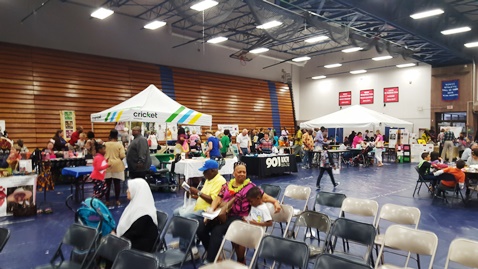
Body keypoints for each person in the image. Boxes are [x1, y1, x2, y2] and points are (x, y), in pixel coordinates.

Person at [197, 162, 281, 264]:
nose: (242, 174)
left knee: (217, 230)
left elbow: (265, 197)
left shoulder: (250, 187)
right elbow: (218, 199)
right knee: (201, 227)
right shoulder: (227, 185)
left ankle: (210, 260)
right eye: (239, 172)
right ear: (233, 173)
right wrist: (211, 211)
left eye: (244, 172)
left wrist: (275, 202)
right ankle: (216, 257)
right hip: (223, 214)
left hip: (239, 217)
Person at [173, 159, 226, 252]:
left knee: (185, 217)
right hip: (198, 206)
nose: (203, 173)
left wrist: (197, 192)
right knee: (176, 212)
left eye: (205, 171)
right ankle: (184, 241)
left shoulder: (220, 181)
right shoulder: (209, 179)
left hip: (207, 210)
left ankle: (189, 248)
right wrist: (193, 195)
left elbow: (213, 200)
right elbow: (203, 195)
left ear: (212, 171)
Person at [115, 178, 158, 252]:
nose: (127, 191)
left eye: (129, 188)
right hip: (133, 242)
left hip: (140, 247)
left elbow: (133, 233)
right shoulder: (134, 206)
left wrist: (117, 238)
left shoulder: (143, 213)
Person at [105, 129, 126, 206]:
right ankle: (117, 200)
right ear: (117, 136)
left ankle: (107, 201)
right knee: (117, 184)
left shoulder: (105, 144)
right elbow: (122, 155)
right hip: (117, 165)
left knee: (107, 184)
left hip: (106, 165)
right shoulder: (119, 145)